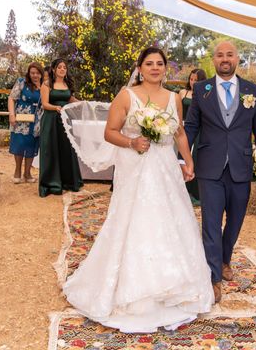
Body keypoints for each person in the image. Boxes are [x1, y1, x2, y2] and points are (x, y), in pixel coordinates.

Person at [63, 47, 213, 332]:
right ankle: (133, 291)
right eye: (149, 63)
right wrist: (132, 142)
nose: (155, 68)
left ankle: (173, 288)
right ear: (140, 68)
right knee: (134, 221)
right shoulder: (126, 95)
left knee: (170, 220)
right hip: (135, 168)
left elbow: (179, 132)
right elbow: (110, 132)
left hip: (166, 168)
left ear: (166, 68)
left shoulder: (174, 98)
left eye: (160, 64)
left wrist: (188, 159)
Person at [184, 41, 256, 303]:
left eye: (229, 55)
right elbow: (191, 127)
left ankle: (224, 258)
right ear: (214, 60)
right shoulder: (202, 90)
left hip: (241, 167)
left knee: (234, 221)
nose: (225, 59)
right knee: (210, 223)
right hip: (209, 167)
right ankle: (214, 278)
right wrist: (182, 159)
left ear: (237, 59)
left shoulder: (251, 91)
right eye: (220, 55)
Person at [38, 59, 83, 197]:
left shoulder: (66, 84)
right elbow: (45, 104)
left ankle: (68, 182)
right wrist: (56, 107)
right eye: (60, 67)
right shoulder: (47, 85)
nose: (63, 69)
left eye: (64, 67)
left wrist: (83, 103)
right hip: (51, 120)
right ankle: (51, 184)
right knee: (50, 150)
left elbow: (70, 99)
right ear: (54, 69)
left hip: (65, 121)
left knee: (66, 149)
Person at [8, 62, 43, 184]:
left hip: (36, 121)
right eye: (32, 73)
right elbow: (12, 98)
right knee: (19, 144)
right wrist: (12, 115)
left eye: (37, 73)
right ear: (29, 73)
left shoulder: (44, 86)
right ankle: (17, 171)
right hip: (20, 120)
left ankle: (27, 173)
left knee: (31, 146)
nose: (35, 75)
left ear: (41, 74)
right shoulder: (21, 82)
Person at [179, 68, 207, 204]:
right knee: (180, 157)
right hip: (182, 128)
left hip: (197, 129)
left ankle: (195, 192)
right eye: (191, 79)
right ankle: (182, 189)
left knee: (195, 156)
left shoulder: (205, 94)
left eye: (196, 80)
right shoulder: (182, 93)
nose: (193, 82)